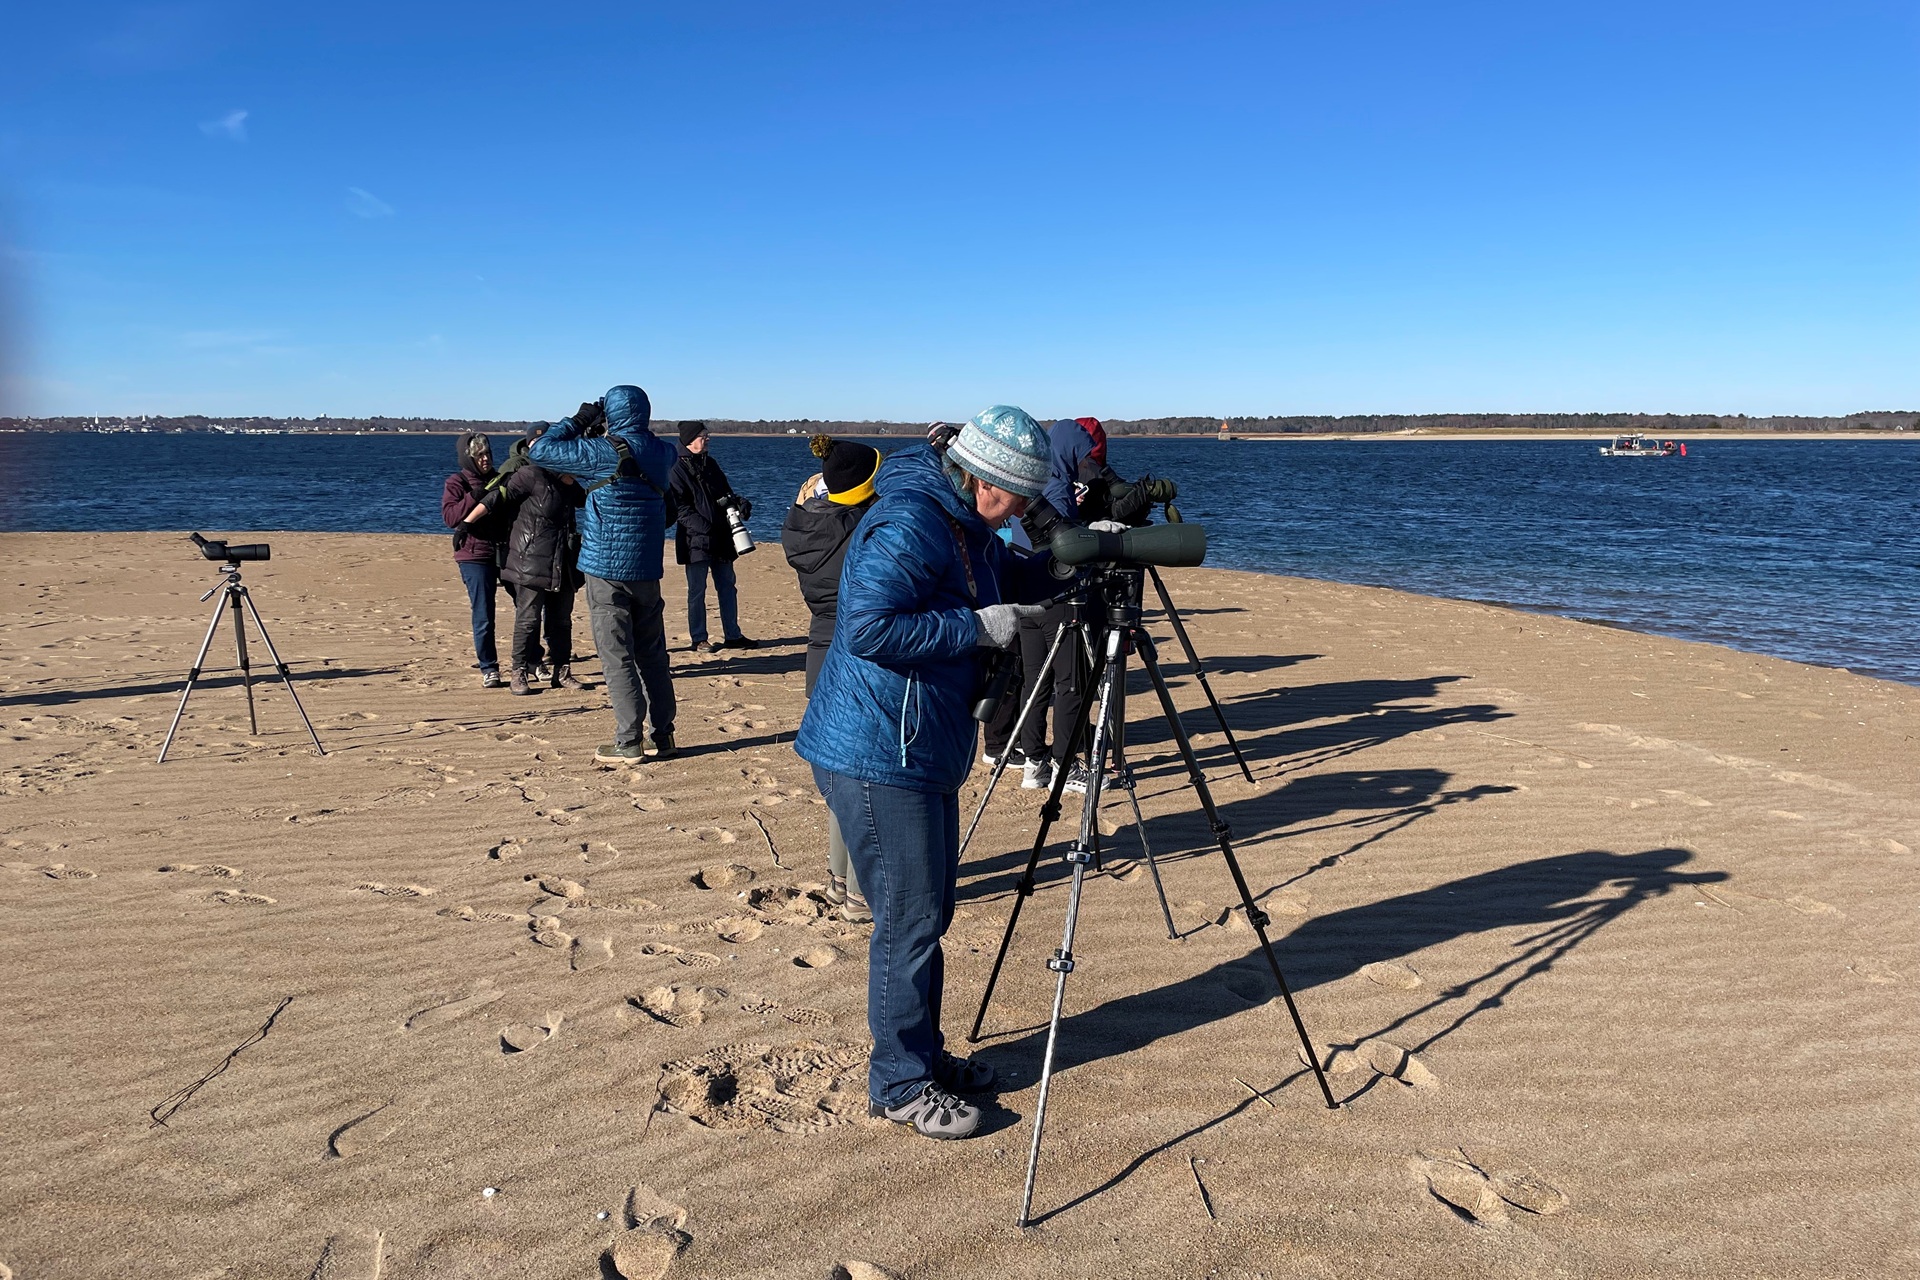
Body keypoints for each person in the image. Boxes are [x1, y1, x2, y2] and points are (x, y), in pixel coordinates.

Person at [796, 405, 1057, 1140]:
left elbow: (1013, 572)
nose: (1023, 511)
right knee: (908, 921)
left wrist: (1074, 558)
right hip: (877, 750)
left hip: (919, 744)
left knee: (928, 914)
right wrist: (976, 628)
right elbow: (868, 627)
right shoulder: (912, 520)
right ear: (979, 479)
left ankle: (924, 1053)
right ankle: (899, 1081)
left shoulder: (969, 524)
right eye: (1017, 496)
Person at [528, 387, 679, 765]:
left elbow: (540, 450)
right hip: (646, 567)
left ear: (610, 414)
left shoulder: (602, 452)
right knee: (652, 654)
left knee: (616, 655)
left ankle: (629, 740)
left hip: (606, 568)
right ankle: (664, 734)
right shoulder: (663, 452)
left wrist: (580, 420)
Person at [780, 434, 884, 925]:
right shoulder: (863, 531)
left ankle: (839, 879)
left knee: (841, 776)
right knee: (863, 780)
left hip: (821, 650)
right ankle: (862, 892)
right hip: (855, 658)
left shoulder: (806, 521)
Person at [498, 429, 588, 695]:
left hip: (562, 560)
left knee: (562, 620)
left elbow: (586, 499)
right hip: (530, 561)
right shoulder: (527, 474)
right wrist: (469, 525)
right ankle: (519, 672)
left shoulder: (566, 480)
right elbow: (498, 500)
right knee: (527, 619)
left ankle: (562, 671)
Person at [668, 421, 757, 654]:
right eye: (703, 436)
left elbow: (726, 493)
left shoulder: (711, 463)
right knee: (697, 591)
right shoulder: (675, 467)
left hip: (722, 538)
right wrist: (705, 528)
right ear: (690, 439)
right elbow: (680, 508)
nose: (707, 439)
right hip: (695, 540)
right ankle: (699, 638)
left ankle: (733, 635)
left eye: (707, 435)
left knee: (727, 586)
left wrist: (740, 503)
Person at [442, 432, 513, 688]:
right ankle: (489, 667)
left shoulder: (501, 478)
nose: (485, 460)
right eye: (479, 455)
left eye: (488, 454)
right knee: (484, 614)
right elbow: (450, 518)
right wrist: (475, 496)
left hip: (504, 551)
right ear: (469, 457)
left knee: (528, 606)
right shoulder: (456, 482)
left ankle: (530, 660)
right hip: (474, 556)